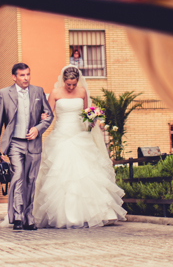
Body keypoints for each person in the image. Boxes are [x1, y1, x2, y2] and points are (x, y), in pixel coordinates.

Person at [33, 65, 126, 228]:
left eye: (73, 84)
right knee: (61, 174)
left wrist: (93, 119)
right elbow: (48, 115)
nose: (71, 87)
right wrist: (43, 118)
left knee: (87, 172)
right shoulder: (55, 93)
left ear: (77, 81)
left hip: (80, 134)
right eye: (68, 84)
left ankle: (95, 214)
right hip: (60, 136)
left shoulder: (82, 92)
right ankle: (65, 216)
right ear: (63, 80)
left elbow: (86, 113)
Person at [0, 63, 53, 230]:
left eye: (28, 74)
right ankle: (17, 216)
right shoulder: (4, 94)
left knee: (31, 180)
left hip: (33, 143)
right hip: (15, 143)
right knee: (17, 176)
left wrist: (38, 128)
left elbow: (49, 116)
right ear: (14, 77)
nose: (26, 78)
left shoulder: (38, 91)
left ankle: (28, 216)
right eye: (22, 75)